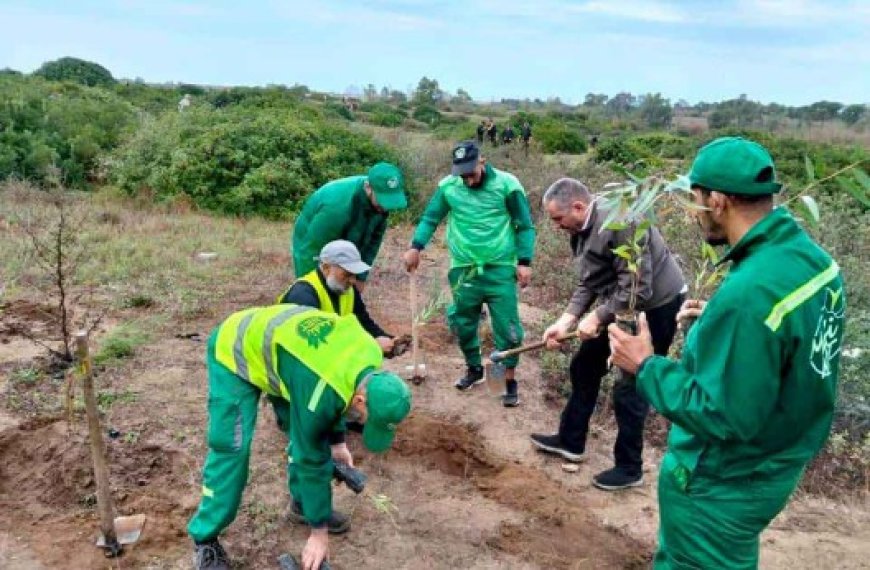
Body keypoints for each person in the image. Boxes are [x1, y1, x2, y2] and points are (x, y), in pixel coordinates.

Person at [608, 137, 846, 568]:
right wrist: (720, 322)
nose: (694, 211)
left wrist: (644, 364)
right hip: (775, 462)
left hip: (722, 481)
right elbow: (787, 344)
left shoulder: (750, 294)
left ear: (717, 200)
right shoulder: (813, 262)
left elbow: (721, 414)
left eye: (695, 200)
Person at [188, 306, 413, 570]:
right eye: (367, 420)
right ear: (361, 400)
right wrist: (319, 534)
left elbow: (340, 392)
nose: (364, 425)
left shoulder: (370, 356)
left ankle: (303, 503)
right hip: (236, 348)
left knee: (303, 427)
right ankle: (205, 539)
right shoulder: (319, 391)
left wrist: (338, 443)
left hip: (291, 359)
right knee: (232, 447)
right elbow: (312, 456)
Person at [530, 178, 685, 490]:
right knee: (585, 364)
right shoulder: (579, 227)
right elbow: (590, 279)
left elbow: (639, 290)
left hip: (657, 307)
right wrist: (567, 320)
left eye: (558, 219)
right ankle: (571, 442)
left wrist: (599, 316)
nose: (557, 226)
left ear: (578, 206)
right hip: (620, 302)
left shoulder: (622, 221)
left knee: (631, 385)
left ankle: (630, 468)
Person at [402, 140, 535, 407]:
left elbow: (524, 225)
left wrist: (524, 261)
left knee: (507, 330)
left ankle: (504, 381)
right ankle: (474, 369)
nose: (468, 181)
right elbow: (430, 218)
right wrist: (416, 247)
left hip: (499, 267)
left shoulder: (508, 185)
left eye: (471, 174)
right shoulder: (448, 187)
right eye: (462, 175)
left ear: (482, 161)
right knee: (464, 324)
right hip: (464, 268)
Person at [292, 162, 407, 291]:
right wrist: (309, 289)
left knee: (344, 288)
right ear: (368, 187)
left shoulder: (380, 208)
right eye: (382, 200)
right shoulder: (336, 207)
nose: (386, 207)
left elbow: (372, 245)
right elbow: (310, 251)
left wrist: (360, 277)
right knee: (319, 287)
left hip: (350, 229)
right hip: (312, 239)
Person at [278, 240, 395, 356]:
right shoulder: (303, 295)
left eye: (354, 274)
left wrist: (388, 340)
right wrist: (371, 345)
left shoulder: (347, 289)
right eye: (347, 274)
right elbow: (314, 344)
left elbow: (363, 322)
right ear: (326, 268)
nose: (353, 280)